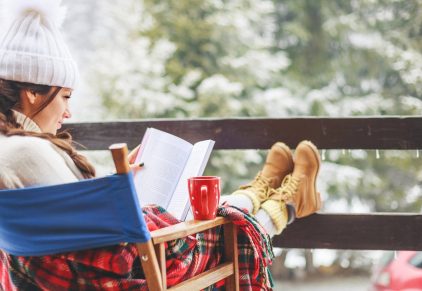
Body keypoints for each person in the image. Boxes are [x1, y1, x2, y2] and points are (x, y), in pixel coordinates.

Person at [0, 0, 321, 289]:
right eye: (65, 96)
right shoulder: (28, 151)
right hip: (133, 270)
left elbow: (71, 218)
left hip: (79, 273)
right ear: (32, 92)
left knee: (209, 215)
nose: (68, 112)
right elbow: (87, 225)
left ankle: (265, 190)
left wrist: (117, 180)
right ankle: (285, 204)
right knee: (228, 228)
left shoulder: (11, 147)